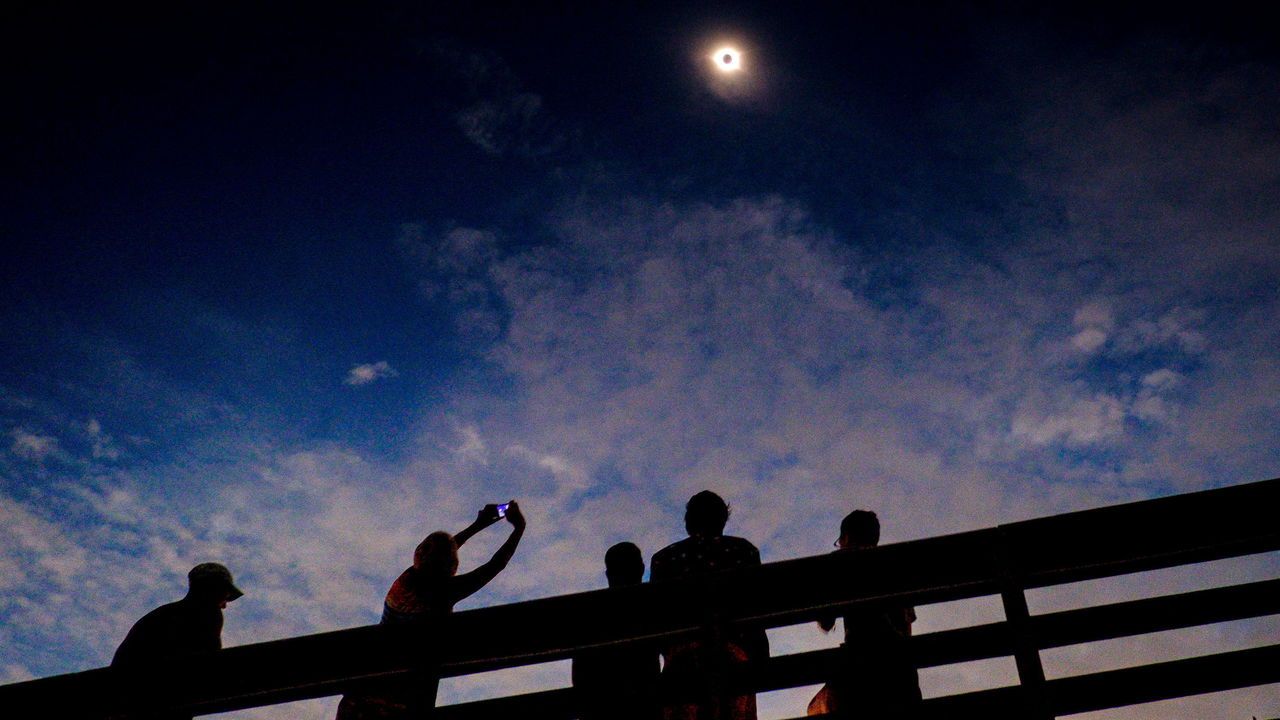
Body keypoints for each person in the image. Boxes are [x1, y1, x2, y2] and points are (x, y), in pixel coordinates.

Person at [335, 501, 526, 719]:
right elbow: (492, 564)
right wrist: (517, 528)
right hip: (407, 696)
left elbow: (438, 554)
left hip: (365, 688)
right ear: (452, 568)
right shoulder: (446, 590)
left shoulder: (407, 579)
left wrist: (477, 525)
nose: (423, 549)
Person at [650, 491, 768, 720]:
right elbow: (757, 613)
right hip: (735, 659)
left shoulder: (664, 559)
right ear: (723, 519)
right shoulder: (744, 551)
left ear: (689, 521)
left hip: (681, 663)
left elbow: (657, 623)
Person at [808, 510, 921, 719]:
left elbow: (825, 622)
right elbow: (907, 628)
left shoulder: (840, 561)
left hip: (860, 671)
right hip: (903, 677)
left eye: (839, 541)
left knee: (815, 709)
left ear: (847, 537)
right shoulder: (897, 565)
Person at [111, 562, 245, 720]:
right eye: (227, 596)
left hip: (128, 699)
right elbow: (209, 666)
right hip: (152, 698)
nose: (225, 605)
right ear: (216, 589)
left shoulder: (161, 614)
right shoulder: (208, 614)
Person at [572, 542, 660, 720]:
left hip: (599, 707)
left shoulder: (588, 613)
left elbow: (579, 673)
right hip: (646, 703)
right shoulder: (652, 608)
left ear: (608, 574)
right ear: (641, 569)